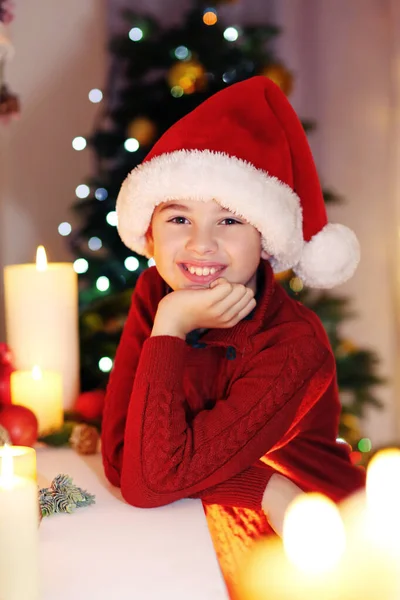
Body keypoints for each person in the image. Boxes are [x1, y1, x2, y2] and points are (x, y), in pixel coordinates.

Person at [101, 76, 365, 537]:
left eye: (229, 220)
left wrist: (171, 328)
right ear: (150, 233)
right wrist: (263, 487)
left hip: (316, 539)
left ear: (265, 239)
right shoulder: (158, 298)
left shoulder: (292, 343)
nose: (200, 245)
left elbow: (150, 481)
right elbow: (127, 461)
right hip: (219, 524)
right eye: (179, 218)